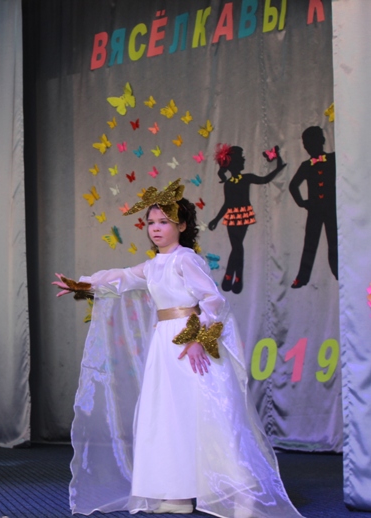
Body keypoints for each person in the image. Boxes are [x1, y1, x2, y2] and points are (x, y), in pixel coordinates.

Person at [54, 180, 301, 517]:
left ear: (182, 226)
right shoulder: (153, 265)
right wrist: (82, 284)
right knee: (169, 415)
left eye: (164, 222)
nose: (156, 228)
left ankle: (239, 494)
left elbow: (213, 300)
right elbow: (122, 277)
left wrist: (198, 339)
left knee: (209, 414)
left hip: (190, 340)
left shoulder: (186, 260)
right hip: (165, 345)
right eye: (151, 222)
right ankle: (177, 492)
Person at [208, 144, 286, 293]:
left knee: (237, 246)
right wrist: (216, 219)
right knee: (237, 246)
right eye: (241, 158)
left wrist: (278, 168)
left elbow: (264, 179)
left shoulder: (246, 178)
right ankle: (236, 277)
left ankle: (232, 275)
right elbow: (227, 204)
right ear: (234, 163)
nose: (244, 160)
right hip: (232, 216)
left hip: (243, 215)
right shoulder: (228, 184)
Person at [288, 126, 337, 288]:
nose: (307, 146)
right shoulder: (306, 165)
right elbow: (293, 185)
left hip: (331, 208)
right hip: (315, 209)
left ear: (321, 140)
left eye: (310, 141)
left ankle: (338, 271)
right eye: (305, 143)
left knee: (334, 242)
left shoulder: (333, 159)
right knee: (310, 243)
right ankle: (303, 277)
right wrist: (302, 202)